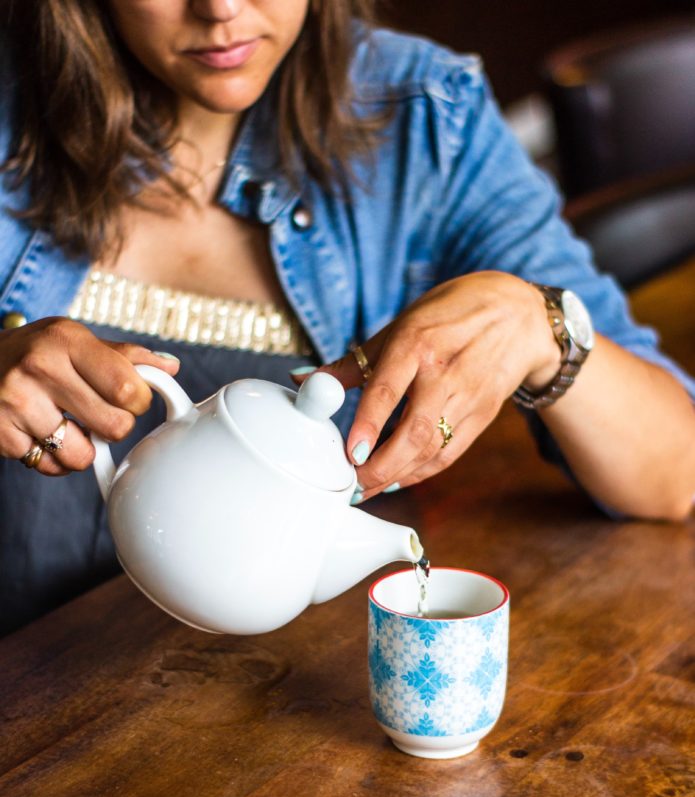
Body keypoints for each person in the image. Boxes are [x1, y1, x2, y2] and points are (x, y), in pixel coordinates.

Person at [0, 0, 693, 636]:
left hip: (270, 712)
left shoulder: (421, 116)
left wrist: (538, 326)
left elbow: (673, 474)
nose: (221, 9)